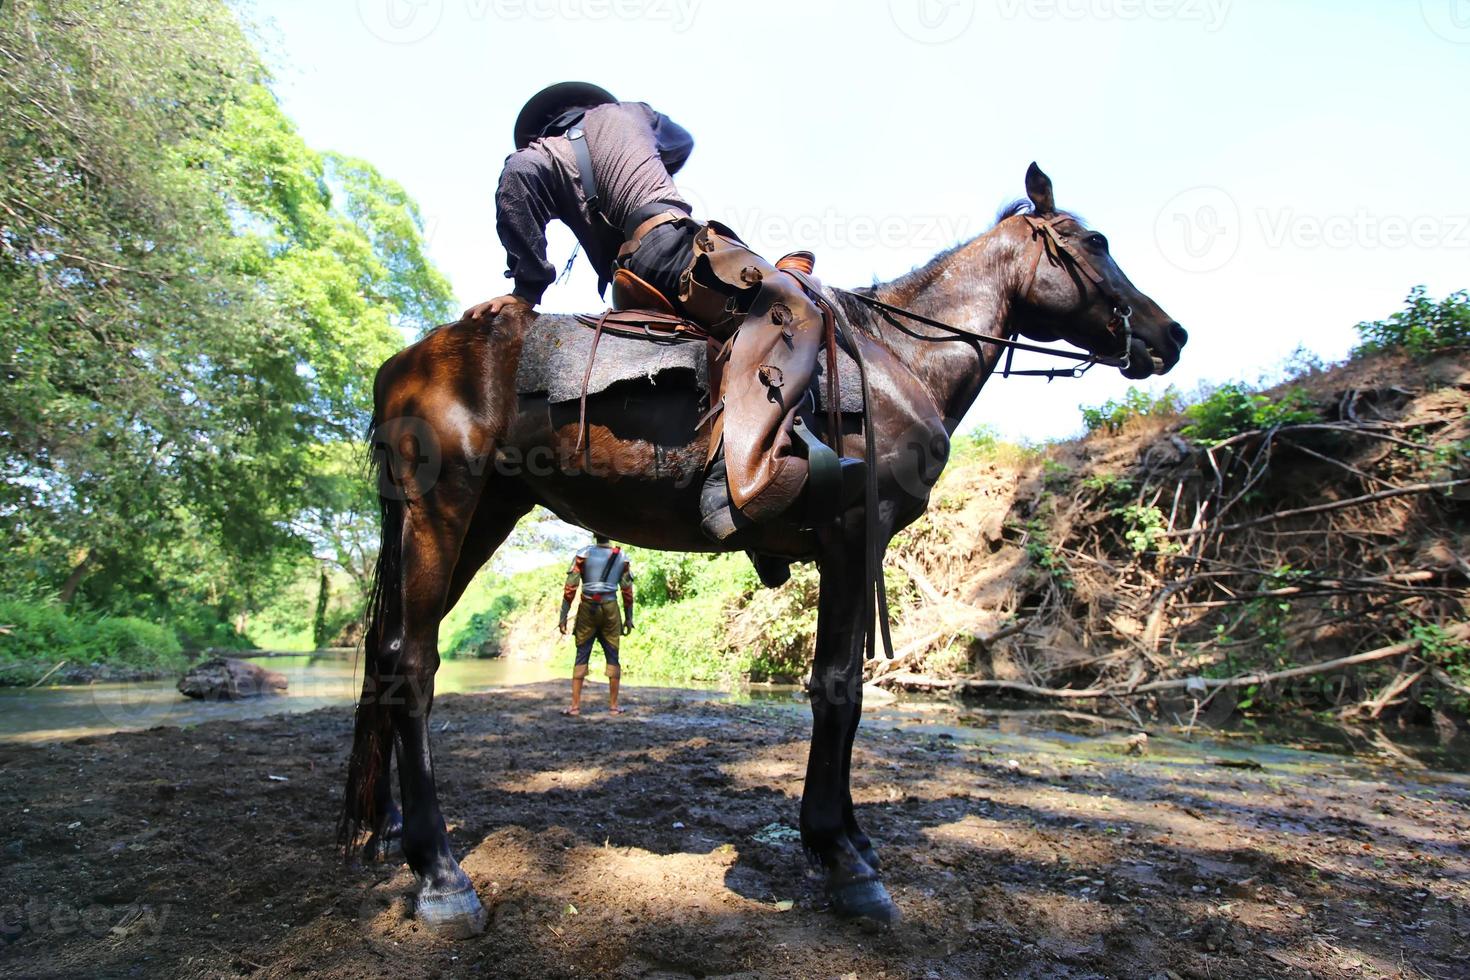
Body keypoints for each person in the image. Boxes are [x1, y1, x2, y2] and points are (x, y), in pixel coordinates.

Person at [464, 81, 861, 542]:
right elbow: (682, 143)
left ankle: (763, 535)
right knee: (792, 308)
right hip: (673, 248)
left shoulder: (539, 153)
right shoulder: (631, 112)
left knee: (723, 345)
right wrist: (640, 159)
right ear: (592, 105)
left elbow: (516, 185)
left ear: (543, 125)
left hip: (627, 282)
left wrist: (527, 289)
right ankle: (736, 485)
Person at [558, 533, 634, 716]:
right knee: (613, 653)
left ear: (593, 534)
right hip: (611, 608)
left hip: (587, 609)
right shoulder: (621, 557)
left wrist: (563, 615)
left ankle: (575, 707)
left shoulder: (583, 554)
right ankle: (614, 707)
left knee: (582, 652)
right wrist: (629, 617)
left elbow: (570, 588)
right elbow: (627, 591)